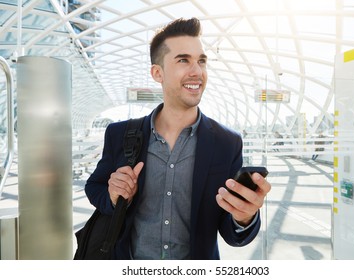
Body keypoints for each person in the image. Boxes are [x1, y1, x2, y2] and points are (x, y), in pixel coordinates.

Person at [84, 17, 271, 260]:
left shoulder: (227, 143)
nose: (197, 71)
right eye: (183, 60)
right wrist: (112, 195)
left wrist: (244, 216)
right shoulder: (120, 134)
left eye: (201, 61)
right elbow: (94, 187)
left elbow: (230, 230)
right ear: (157, 73)